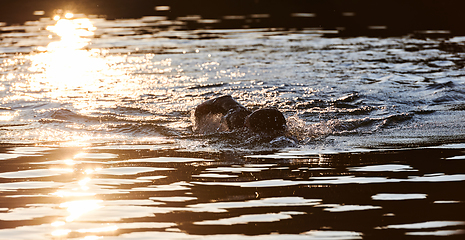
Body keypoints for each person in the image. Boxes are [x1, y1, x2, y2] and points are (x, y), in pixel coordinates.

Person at [194, 95, 286, 133]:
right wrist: (198, 125)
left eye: (247, 125)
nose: (244, 126)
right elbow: (225, 99)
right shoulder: (235, 119)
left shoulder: (280, 128)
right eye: (246, 123)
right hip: (220, 103)